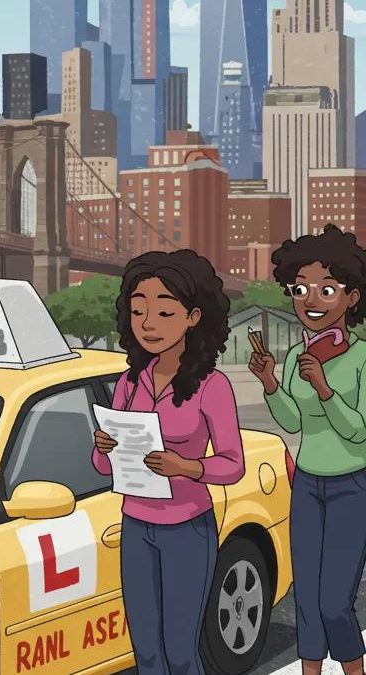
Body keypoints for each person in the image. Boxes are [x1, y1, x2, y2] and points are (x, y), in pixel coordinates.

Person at [92, 249, 245, 675]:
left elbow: (233, 464)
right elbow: (105, 470)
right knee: (147, 654)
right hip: (136, 526)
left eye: (163, 312)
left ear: (193, 316)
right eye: (139, 311)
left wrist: (187, 467)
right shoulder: (128, 381)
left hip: (187, 530)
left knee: (180, 653)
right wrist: (103, 447)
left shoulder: (212, 386)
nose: (148, 324)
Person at [249, 223, 366, 675]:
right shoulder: (303, 356)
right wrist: (271, 384)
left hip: (352, 487)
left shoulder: (359, 359)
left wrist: (324, 389)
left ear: (352, 297)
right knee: (308, 597)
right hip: (307, 484)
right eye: (300, 289)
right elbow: (295, 424)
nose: (310, 300)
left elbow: (358, 432)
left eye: (326, 289)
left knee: (336, 600)